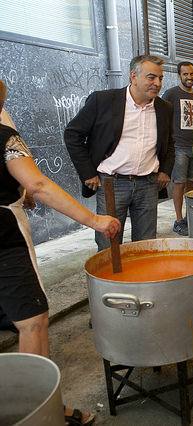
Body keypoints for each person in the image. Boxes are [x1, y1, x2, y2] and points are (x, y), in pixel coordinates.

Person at [0, 79, 121, 425]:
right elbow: (38, 184)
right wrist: (95, 220)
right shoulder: (6, 138)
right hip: (3, 238)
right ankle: (42, 412)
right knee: (32, 321)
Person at [64, 55, 175, 251]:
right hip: (111, 184)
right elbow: (73, 134)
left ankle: (142, 281)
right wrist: (87, 172)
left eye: (160, 78)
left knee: (146, 244)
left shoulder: (164, 108)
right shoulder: (103, 100)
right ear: (133, 76)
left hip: (148, 184)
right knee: (109, 244)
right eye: (151, 77)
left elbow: (170, 141)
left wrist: (165, 170)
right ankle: (110, 282)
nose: (157, 83)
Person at [162, 61, 193, 236]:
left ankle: (190, 217)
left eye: (192, 74)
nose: (189, 77)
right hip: (178, 146)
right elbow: (162, 118)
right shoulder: (170, 94)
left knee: (192, 183)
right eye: (185, 74)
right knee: (178, 184)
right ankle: (179, 220)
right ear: (179, 75)